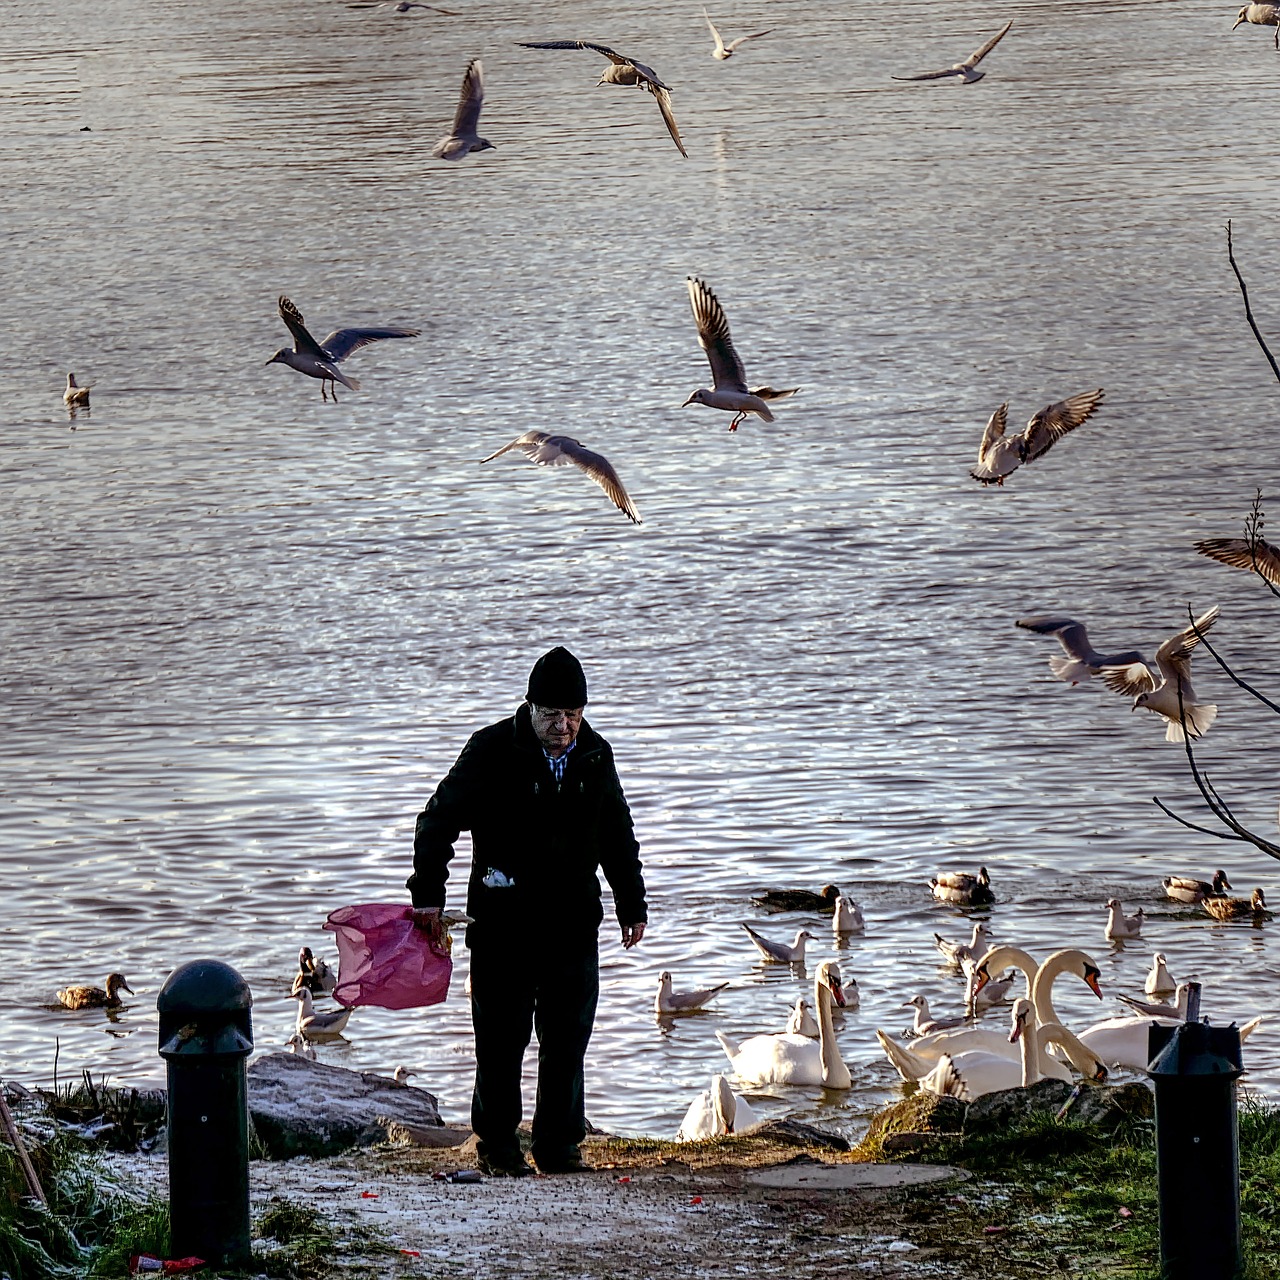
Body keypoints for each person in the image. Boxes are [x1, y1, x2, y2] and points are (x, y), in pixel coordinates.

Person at [407, 646, 647, 1176]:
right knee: (501, 1043)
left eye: (573, 714)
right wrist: (429, 896)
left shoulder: (596, 755)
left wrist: (632, 903)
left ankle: (559, 1150)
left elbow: (617, 834)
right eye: (551, 715)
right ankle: (497, 1149)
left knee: (566, 1043)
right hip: (502, 928)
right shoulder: (491, 751)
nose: (563, 727)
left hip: (572, 928)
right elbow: (436, 823)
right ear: (529, 708)